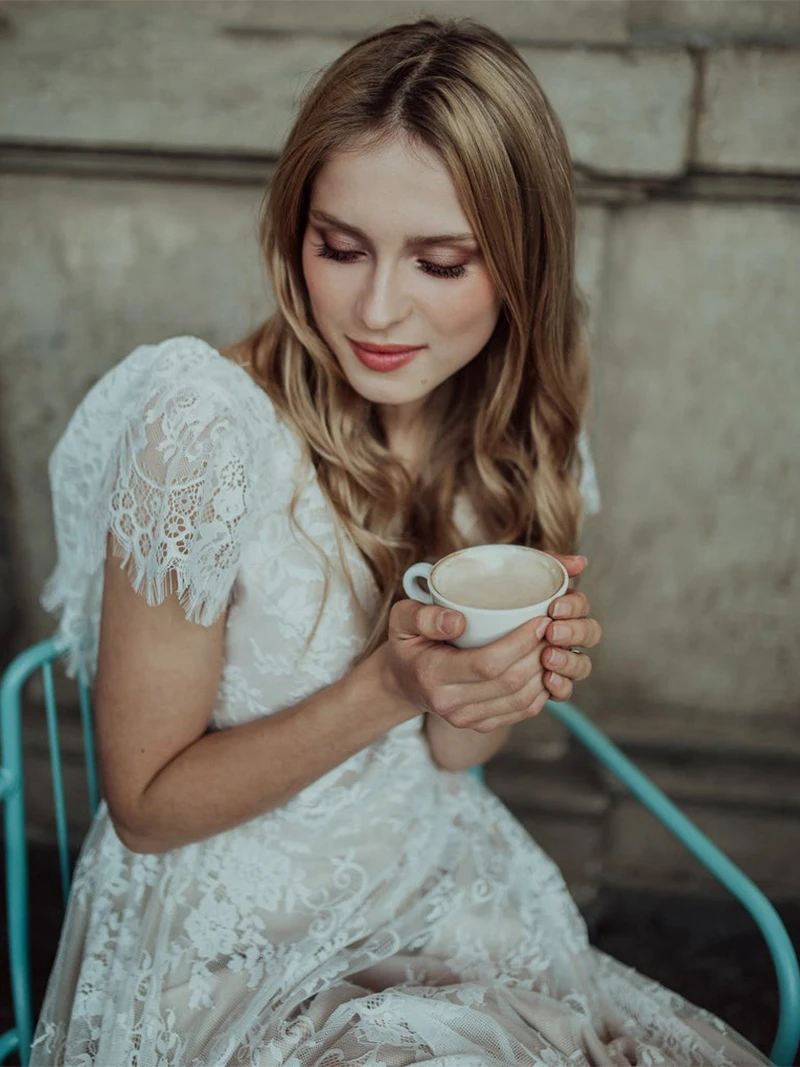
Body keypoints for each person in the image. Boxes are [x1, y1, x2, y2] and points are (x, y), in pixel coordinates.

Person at [29, 15, 768, 1067]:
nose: (379, 309)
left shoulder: (514, 430)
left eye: (440, 261)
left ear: (518, 263)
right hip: (227, 938)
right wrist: (387, 683)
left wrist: (493, 681)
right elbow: (144, 806)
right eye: (340, 247)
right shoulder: (200, 427)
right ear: (296, 233)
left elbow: (450, 751)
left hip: (430, 884)